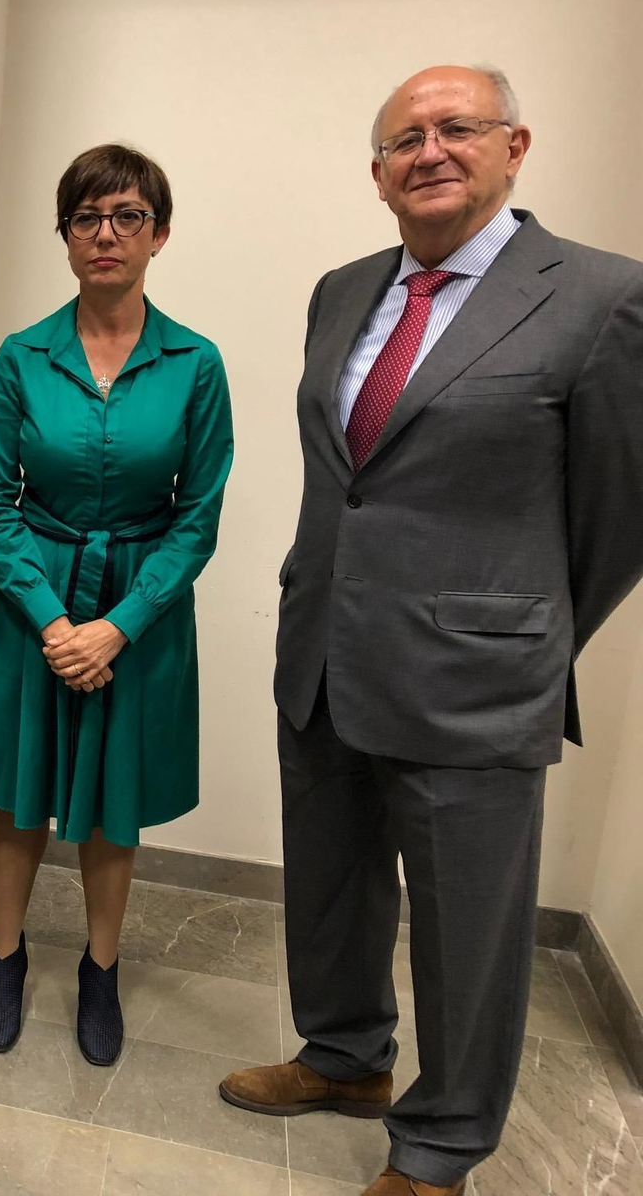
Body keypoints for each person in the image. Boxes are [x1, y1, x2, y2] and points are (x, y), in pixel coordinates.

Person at [218, 66, 643, 1196]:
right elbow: (342, 482)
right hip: (324, 655)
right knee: (328, 886)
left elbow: (617, 513)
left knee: (467, 930)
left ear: (515, 146)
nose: (431, 150)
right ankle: (345, 1058)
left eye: (458, 128)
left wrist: (524, 628)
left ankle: (443, 1141)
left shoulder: (601, 295)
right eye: (404, 138)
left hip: (476, 680)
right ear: (377, 175)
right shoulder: (341, 288)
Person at [0, 144, 234, 1066]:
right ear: (64, 236)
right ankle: (6, 959)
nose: (106, 235)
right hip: (32, 604)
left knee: (114, 805)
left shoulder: (197, 363)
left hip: (139, 612)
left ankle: (99, 972)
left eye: (128, 217)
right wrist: (56, 621)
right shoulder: (23, 357)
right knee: (20, 799)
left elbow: (198, 516)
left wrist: (118, 625)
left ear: (160, 234)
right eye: (86, 219)